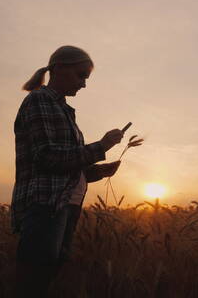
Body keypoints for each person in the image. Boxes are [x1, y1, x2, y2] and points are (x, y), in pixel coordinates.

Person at [11, 45, 142, 297]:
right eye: (81, 75)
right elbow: (46, 158)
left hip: (64, 204)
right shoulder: (40, 100)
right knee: (34, 280)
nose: (83, 84)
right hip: (47, 204)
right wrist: (101, 145)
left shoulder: (63, 109)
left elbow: (65, 167)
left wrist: (97, 172)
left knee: (46, 277)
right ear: (59, 68)